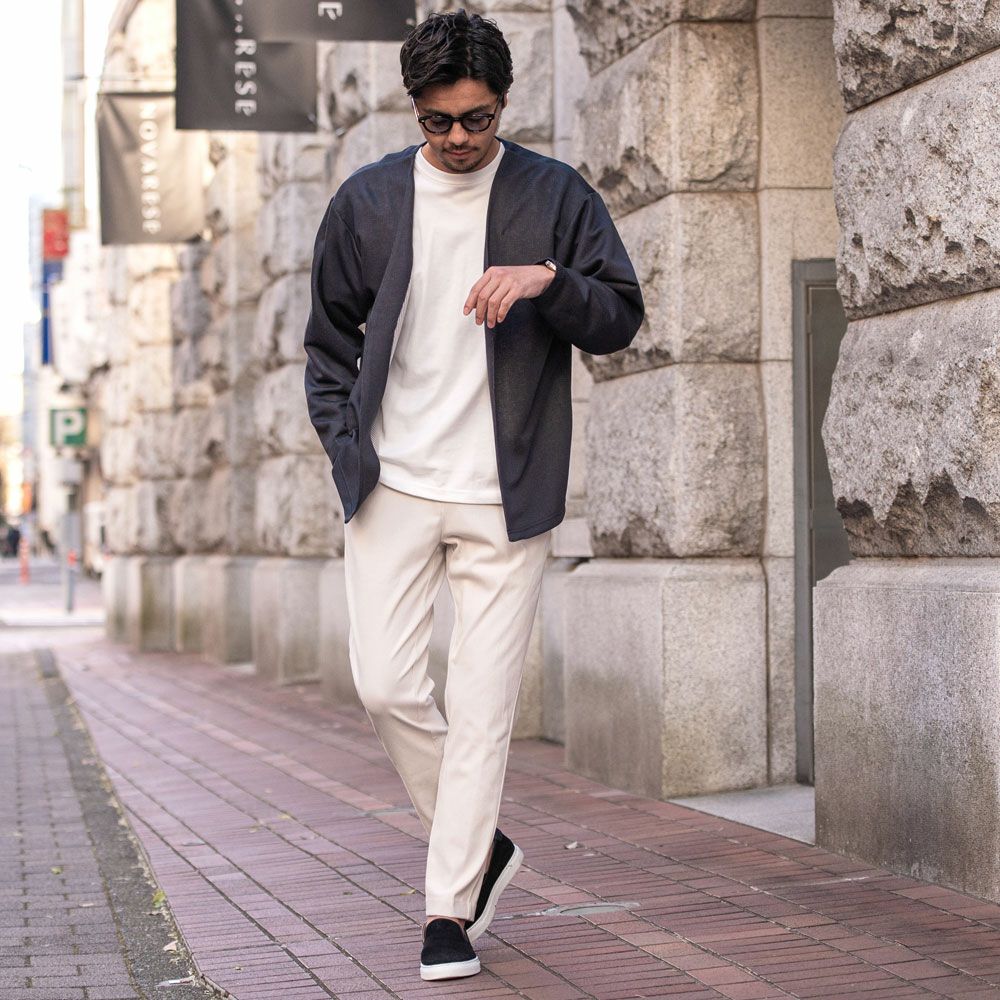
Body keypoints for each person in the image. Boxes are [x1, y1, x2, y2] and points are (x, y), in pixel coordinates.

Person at [303, 8, 643, 982]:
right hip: (394, 482)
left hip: (506, 489)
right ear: (415, 109)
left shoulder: (554, 194)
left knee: (483, 705)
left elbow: (620, 315)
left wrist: (547, 281)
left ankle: (448, 907)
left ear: (503, 104)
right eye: (439, 121)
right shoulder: (367, 202)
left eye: (478, 118)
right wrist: (348, 453)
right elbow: (327, 347)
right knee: (385, 684)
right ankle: (481, 845)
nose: (459, 138)